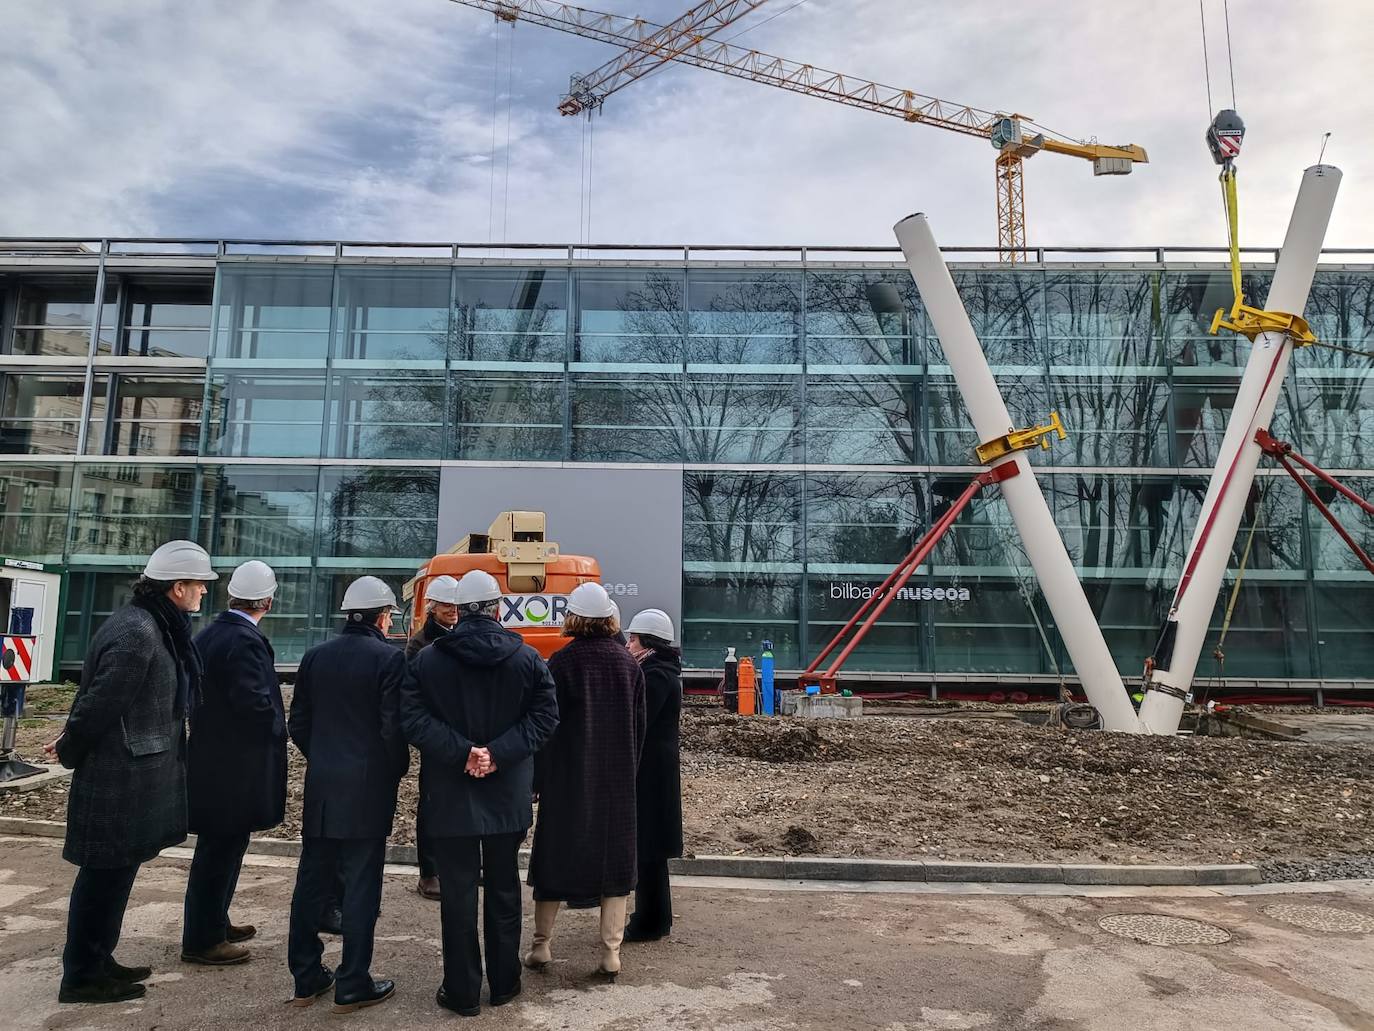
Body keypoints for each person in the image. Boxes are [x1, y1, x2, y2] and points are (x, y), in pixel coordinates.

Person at [47, 541, 216, 1005]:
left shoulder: (151, 624)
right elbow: (101, 701)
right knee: (103, 877)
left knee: (115, 875)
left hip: (131, 772)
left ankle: (100, 960)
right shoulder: (139, 631)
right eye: (199, 584)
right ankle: (81, 975)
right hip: (117, 775)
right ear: (177, 588)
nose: (204, 592)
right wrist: (69, 746)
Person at [402, 570, 559, 1016]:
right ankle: (505, 983)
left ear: (459, 610)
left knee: (457, 894)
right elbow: (546, 718)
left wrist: (463, 752)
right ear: (496, 609)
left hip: (450, 795)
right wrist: (497, 754)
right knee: (505, 889)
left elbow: (411, 719)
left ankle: (462, 990)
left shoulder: (428, 660)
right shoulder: (527, 659)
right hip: (506, 795)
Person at [285, 576, 409, 1013]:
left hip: (322, 787)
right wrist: (392, 771)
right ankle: (353, 980)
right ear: (381, 616)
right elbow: (393, 728)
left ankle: (305, 977)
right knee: (360, 886)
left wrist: (323, 758)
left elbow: (297, 722)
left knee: (312, 882)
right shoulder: (388, 660)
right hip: (368, 789)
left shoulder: (316, 657)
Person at [526, 582, 645, 977]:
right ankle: (611, 952)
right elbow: (638, 728)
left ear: (571, 618)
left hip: (567, 780)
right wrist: (630, 771)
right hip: (615, 780)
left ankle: (541, 945)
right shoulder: (629, 666)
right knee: (615, 864)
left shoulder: (559, 663)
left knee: (554, 859)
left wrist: (537, 779)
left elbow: (545, 728)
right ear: (611, 618)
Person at [181, 560, 286, 967]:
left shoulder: (212, 634)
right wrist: (278, 730)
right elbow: (254, 702)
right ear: (267, 599)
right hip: (234, 765)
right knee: (220, 850)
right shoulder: (244, 640)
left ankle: (215, 922)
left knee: (221, 846)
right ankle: (204, 939)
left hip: (213, 759)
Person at [622, 609, 683, 943]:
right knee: (650, 850)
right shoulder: (659, 671)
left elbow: (638, 717)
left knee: (650, 850)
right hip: (656, 772)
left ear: (647, 642)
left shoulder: (655, 675)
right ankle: (653, 917)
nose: (629, 644)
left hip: (651, 775)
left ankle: (650, 920)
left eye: (633, 638)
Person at [405, 574, 462, 902]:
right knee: (432, 804)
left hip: (459, 733)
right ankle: (429, 872)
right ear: (432, 608)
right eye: (445, 605)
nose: (452, 610)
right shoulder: (420, 644)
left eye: (455, 604)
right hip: (436, 736)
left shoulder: (455, 637)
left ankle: (453, 866)